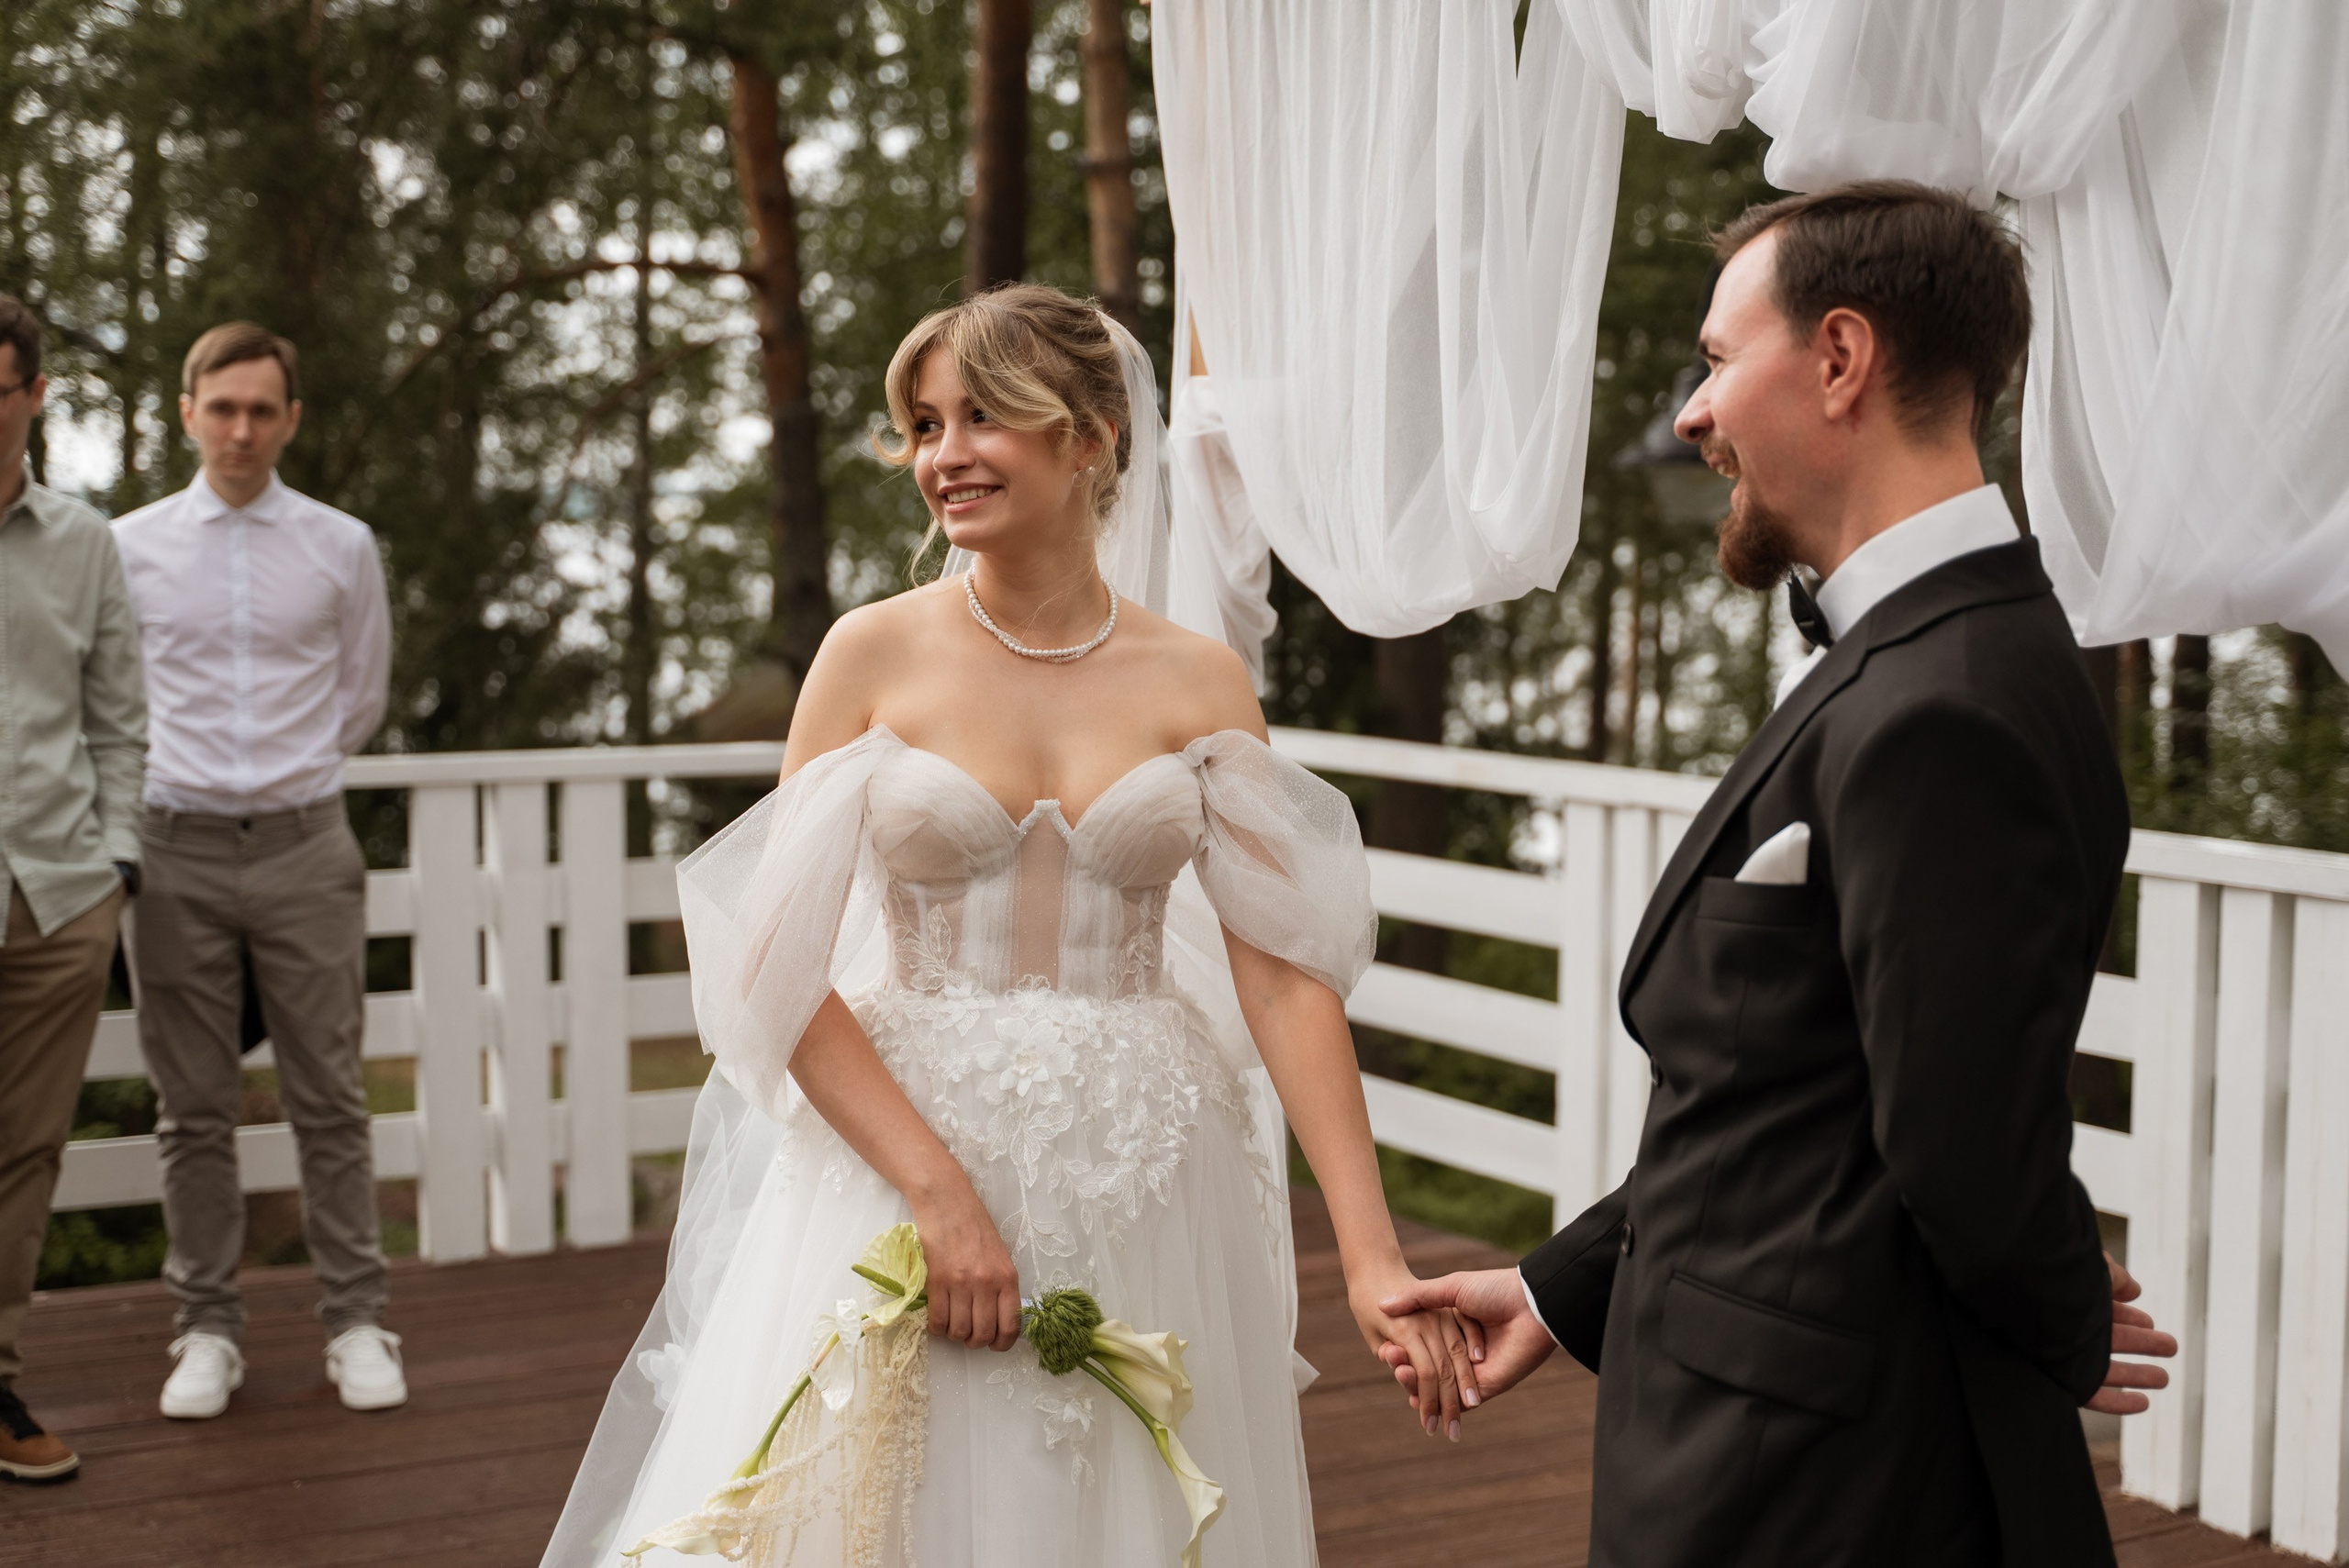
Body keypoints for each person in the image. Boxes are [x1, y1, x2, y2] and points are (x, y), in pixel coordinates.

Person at [545, 285, 1478, 1566]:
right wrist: (937, 1192)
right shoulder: (871, 656)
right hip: (898, 1160)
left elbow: (1283, 980)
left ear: (1090, 435)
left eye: (984, 417)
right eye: (924, 425)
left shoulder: (1200, 679)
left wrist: (1374, 1257)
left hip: (1145, 1168)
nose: (943, 455)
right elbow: (771, 964)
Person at [1381, 183, 2178, 1566]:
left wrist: (2052, 1296)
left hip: (1810, 1479)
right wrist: (1559, 1287)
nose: (1693, 415)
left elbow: (1958, 1146)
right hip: (1756, 1424)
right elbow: (1797, 1095)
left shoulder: (1953, 700)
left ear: (1839, 358)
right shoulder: (1916, 654)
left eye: (1713, 358)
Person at [113, 323, 399, 1419]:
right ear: (186, 410)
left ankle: (358, 1319)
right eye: (221, 406)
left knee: (328, 1095)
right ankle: (206, 1329)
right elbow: (113, 696)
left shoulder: (341, 544)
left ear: (289, 418)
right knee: (190, 1106)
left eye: (261, 409)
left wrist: (284, 775)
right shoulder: (126, 545)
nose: (241, 428)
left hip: (302, 844)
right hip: (172, 846)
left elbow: (359, 695)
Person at [0, 295, 148, 1484]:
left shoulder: (85, 543)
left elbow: (117, 722)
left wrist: (115, 865)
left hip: (56, 893)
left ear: (35, 396)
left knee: (25, 1150)